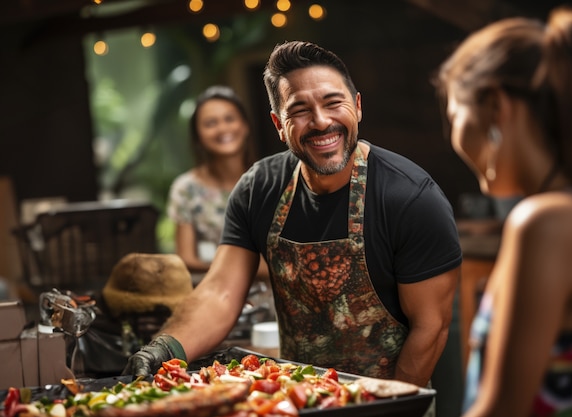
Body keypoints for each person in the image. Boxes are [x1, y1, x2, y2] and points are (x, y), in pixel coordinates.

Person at [125, 40, 462, 389]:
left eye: (334, 103)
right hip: (295, 401)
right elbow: (220, 293)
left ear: (358, 107)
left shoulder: (411, 198)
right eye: (300, 110)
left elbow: (430, 328)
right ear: (278, 124)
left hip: (387, 400)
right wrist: (163, 349)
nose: (320, 122)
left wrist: (390, 407)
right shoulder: (259, 187)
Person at [435, 6, 572, 417]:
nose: (454, 134)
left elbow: (501, 408)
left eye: (454, 115)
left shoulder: (543, 223)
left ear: (494, 106)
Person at [166, 85, 258, 273]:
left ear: (245, 125)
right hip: (213, 290)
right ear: (198, 136)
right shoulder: (186, 188)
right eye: (210, 123)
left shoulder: (271, 181)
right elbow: (186, 259)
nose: (222, 128)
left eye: (229, 119)